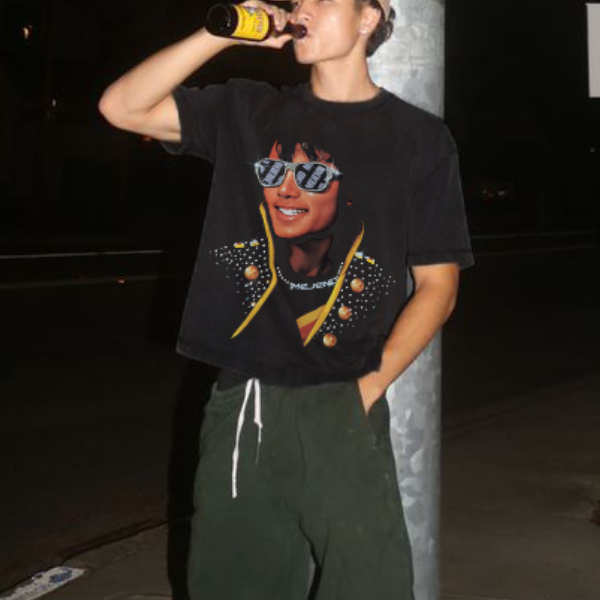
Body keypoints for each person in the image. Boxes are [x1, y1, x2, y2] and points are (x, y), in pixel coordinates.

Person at [99, 0, 474, 598]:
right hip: (243, 400)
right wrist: (220, 34)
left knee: (372, 585)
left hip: (342, 398)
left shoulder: (418, 139)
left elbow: (438, 286)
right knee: (234, 586)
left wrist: (367, 387)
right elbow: (122, 107)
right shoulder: (250, 111)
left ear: (369, 18)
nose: (302, 7)